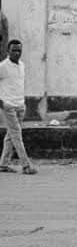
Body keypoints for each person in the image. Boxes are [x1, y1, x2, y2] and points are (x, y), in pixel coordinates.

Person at [0, 39, 36, 175]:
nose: (17, 53)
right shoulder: (2, 66)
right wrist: (1, 103)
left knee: (11, 136)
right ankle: (26, 165)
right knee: (17, 135)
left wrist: (22, 103)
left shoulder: (22, 65)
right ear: (7, 51)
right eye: (14, 50)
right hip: (8, 106)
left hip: (20, 105)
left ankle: (3, 164)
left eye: (19, 50)